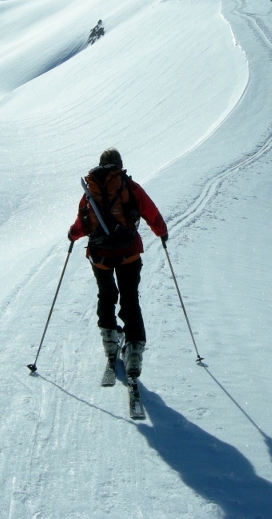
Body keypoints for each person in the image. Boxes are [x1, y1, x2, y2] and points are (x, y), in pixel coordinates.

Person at [68, 148, 168, 378]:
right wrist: (161, 233)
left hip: (101, 255)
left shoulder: (90, 191)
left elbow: (82, 222)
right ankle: (133, 351)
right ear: (119, 165)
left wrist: (72, 235)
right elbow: (149, 210)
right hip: (128, 253)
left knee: (106, 295)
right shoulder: (128, 186)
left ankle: (110, 342)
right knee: (129, 297)